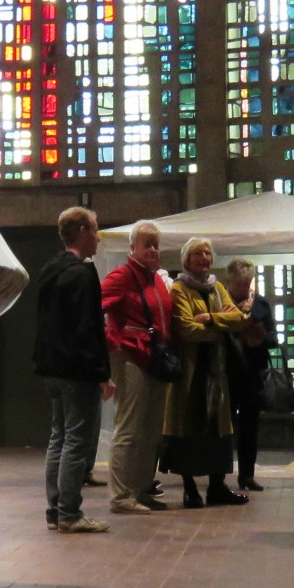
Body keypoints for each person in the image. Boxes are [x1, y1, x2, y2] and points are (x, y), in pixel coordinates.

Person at [32, 206, 114, 534]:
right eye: (95, 229)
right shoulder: (82, 274)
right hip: (76, 370)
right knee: (76, 441)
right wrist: (101, 373)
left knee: (59, 437)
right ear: (81, 231)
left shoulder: (50, 269)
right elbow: (88, 329)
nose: (98, 236)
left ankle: (55, 510)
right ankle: (69, 512)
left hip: (51, 367)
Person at [160, 238, 250, 507]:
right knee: (189, 428)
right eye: (197, 253)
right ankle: (189, 489)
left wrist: (211, 319)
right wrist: (219, 328)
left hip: (216, 373)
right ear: (186, 259)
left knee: (217, 430)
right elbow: (187, 330)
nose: (203, 258)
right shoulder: (179, 289)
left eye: (207, 253)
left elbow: (239, 319)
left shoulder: (217, 287)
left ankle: (217, 486)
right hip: (190, 374)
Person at [102, 220, 173, 515]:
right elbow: (94, 307)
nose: (153, 250)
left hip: (154, 360)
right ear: (133, 248)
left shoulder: (155, 279)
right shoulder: (121, 276)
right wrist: (115, 339)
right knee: (129, 429)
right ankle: (121, 496)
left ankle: (142, 489)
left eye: (156, 244)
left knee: (151, 430)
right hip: (132, 358)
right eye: (147, 244)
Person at [222, 258, 277, 491]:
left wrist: (260, 337)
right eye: (239, 284)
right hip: (226, 371)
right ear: (230, 282)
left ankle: (247, 475)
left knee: (249, 426)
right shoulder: (219, 303)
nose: (244, 289)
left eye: (247, 283)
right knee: (223, 426)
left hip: (252, 371)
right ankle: (219, 475)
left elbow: (274, 340)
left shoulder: (260, 305)